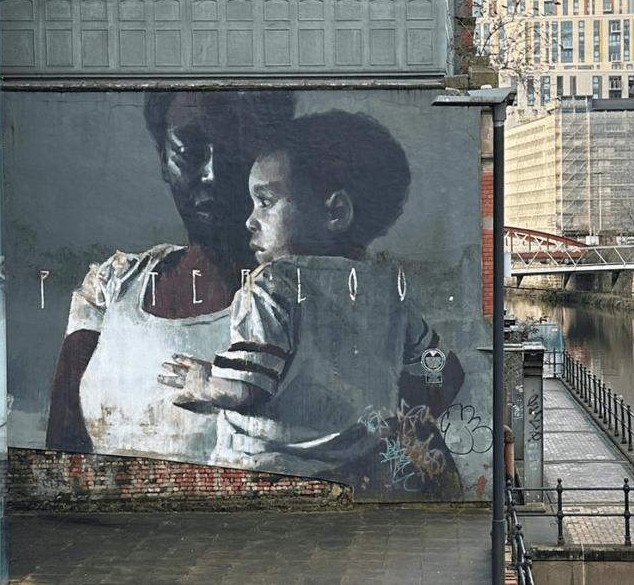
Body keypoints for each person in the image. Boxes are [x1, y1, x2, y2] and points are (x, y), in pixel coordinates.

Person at [159, 111, 464, 491]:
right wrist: (408, 418)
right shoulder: (390, 289)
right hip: (362, 472)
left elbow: (246, 389)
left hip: (270, 476)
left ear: (335, 212)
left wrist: (204, 383)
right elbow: (445, 370)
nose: (250, 221)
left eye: (265, 202)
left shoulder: (274, 285)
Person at [45, 90, 294, 459]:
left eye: (235, 153)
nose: (212, 175)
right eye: (190, 154)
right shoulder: (111, 287)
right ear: (164, 160)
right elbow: (62, 447)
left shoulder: (296, 300)